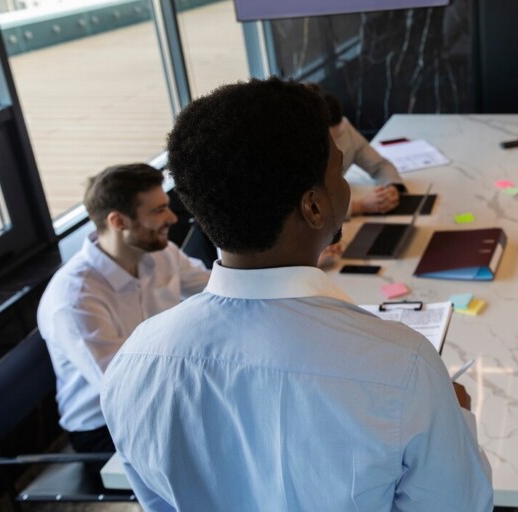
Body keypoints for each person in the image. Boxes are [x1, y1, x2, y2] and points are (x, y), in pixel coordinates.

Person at [100, 78, 492, 511]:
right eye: (338, 170)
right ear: (314, 206)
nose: (346, 184)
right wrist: (456, 418)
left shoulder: (135, 360)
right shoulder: (403, 365)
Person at [37, 163, 210, 453]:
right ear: (118, 222)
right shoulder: (75, 299)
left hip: (162, 392)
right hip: (104, 425)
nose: (171, 217)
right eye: (158, 211)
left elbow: (214, 289)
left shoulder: (161, 252)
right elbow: (123, 389)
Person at [317, 88, 404, 216]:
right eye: (330, 138)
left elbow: (380, 166)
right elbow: (310, 211)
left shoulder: (344, 128)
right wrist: (359, 206)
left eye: (339, 135)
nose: (336, 145)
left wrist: (391, 187)